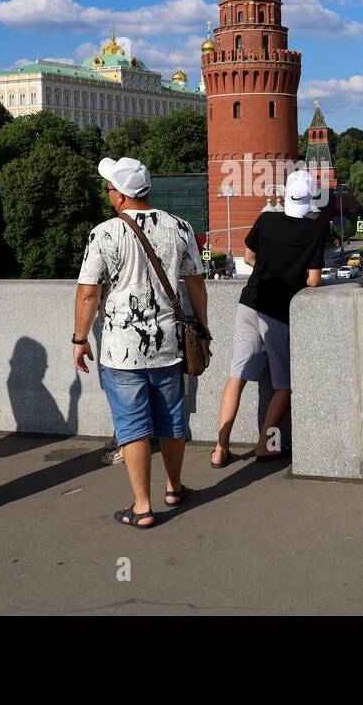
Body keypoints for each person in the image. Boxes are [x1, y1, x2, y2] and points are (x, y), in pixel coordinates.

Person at [73, 157, 207, 530]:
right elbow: (196, 282)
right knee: (172, 419)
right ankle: (175, 487)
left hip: (121, 348)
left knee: (132, 426)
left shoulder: (104, 233)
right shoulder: (180, 227)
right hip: (169, 343)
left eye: (109, 189)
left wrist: (80, 339)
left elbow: (88, 294)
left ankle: (143, 507)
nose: (108, 194)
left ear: (119, 195)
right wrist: (202, 326)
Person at [210, 169, 327, 468]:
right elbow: (313, 281)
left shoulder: (266, 219)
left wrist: (269, 267)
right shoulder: (315, 232)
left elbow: (249, 258)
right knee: (283, 385)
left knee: (237, 377)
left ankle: (220, 449)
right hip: (278, 312)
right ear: (311, 198)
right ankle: (266, 444)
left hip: (249, 302)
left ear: (285, 194)